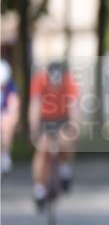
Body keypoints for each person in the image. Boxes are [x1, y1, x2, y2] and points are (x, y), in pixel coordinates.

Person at [29, 61, 80, 209]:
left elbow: (74, 106)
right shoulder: (39, 80)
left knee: (66, 141)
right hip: (45, 119)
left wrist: (74, 128)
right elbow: (35, 104)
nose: (55, 86)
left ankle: (65, 170)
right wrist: (34, 128)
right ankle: (39, 188)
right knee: (41, 150)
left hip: (63, 118)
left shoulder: (69, 81)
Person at [1, 60, 20, 174]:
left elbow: (14, 104)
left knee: (7, 123)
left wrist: (13, 119)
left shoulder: (11, 86)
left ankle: (5, 154)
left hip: (4, 114)